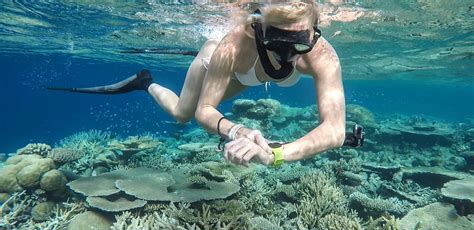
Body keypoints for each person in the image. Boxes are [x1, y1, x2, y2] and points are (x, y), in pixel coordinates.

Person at [48, 1, 346, 167]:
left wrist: (274, 153)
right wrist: (237, 130)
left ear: (314, 33)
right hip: (218, 63)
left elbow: (335, 130)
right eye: (276, 42)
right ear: (259, 29)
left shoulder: (323, 54)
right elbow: (205, 110)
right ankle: (144, 82)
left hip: (250, 77)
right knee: (182, 113)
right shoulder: (233, 45)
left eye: (299, 45)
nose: (287, 56)